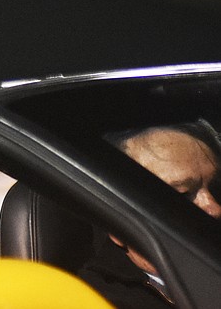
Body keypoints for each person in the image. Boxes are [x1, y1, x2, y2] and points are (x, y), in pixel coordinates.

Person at [78, 120, 221, 308]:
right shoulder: (96, 301)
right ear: (116, 222)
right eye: (181, 196)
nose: (215, 208)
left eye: (218, 187)